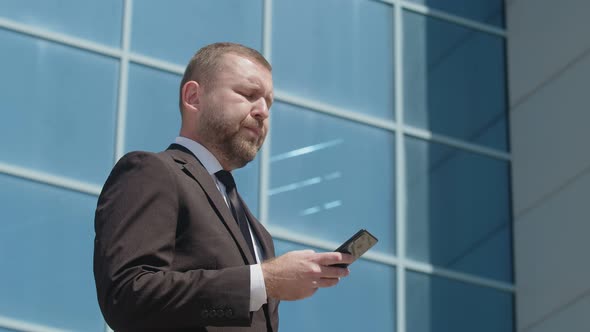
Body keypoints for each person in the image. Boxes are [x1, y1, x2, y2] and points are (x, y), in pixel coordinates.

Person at [93, 42, 354, 332]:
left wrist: (263, 281)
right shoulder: (152, 171)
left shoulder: (258, 234)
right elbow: (128, 296)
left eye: (269, 102)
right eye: (248, 94)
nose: (263, 111)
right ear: (194, 97)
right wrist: (265, 281)